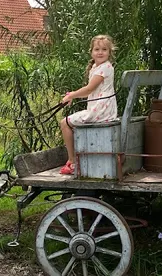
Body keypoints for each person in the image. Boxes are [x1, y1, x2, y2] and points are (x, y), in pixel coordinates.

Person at [58, 35, 118, 175]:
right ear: (91, 52)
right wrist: (72, 94)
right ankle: (76, 158)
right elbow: (90, 91)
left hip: (100, 111)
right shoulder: (97, 68)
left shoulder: (105, 68)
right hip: (100, 108)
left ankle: (72, 161)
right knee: (68, 122)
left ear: (110, 52)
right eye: (97, 49)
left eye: (104, 49)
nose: (100, 52)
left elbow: (90, 89)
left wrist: (72, 95)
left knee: (64, 123)